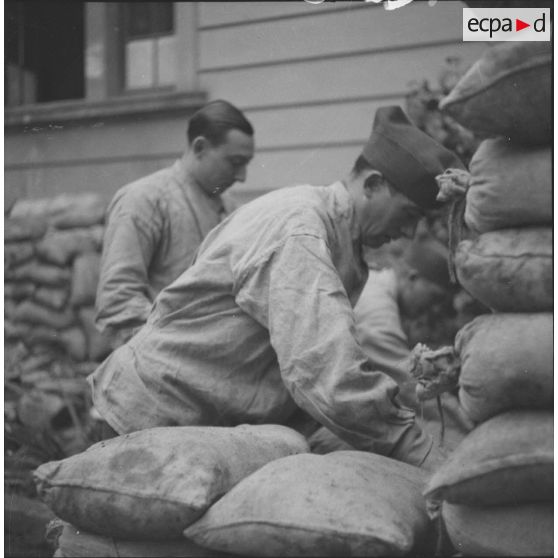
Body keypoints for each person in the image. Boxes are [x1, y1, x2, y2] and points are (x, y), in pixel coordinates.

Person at [88, 105, 464, 470]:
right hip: (149, 416)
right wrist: (418, 450)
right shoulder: (300, 230)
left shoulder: (341, 241)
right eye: (408, 215)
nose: (407, 233)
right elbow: (323, 371)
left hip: (196, 425)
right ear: (373, 185)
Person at [95, 100, 255, 348]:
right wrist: (177, 352)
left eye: (246, 164)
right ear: (200, 147)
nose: (242, 176)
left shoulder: (232, 210)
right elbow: (118, 301)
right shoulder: (144, 200)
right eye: (235, 163)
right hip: (162, 365)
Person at [309, 236, 474, 454]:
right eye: (435, 297)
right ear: (413, 277)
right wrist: (467, 423)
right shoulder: (378, 309)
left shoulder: (377, 284)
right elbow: (409, 382)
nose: (432, 308)